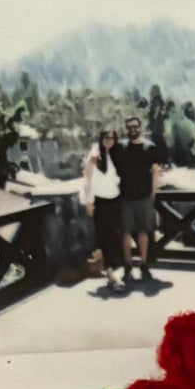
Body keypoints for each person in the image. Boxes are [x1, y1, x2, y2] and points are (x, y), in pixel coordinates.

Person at [113, 113, 165, 287]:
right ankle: (128, 266)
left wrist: (153, 195)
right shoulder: (120, 148)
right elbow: (106, 160)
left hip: (144, 197)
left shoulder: (149, 147)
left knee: (144, 231)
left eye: (135, 126)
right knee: (126, 232)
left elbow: (155, 171)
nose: (133, 130)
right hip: (125, 197)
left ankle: (143, 264)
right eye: (129, 127)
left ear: (140, 127)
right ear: (126, 129)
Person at [80, 125, 122, 293]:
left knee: (116, 238)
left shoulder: (116, 155)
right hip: (101, 203)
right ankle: (112, 276)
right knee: (106, 239)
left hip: (115, 202)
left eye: (111, 138)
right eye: (106, 138)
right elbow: (87, 180)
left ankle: (113, 273)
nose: (108, 141)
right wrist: (89, 202)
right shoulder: (94, 156)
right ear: (101, 139)